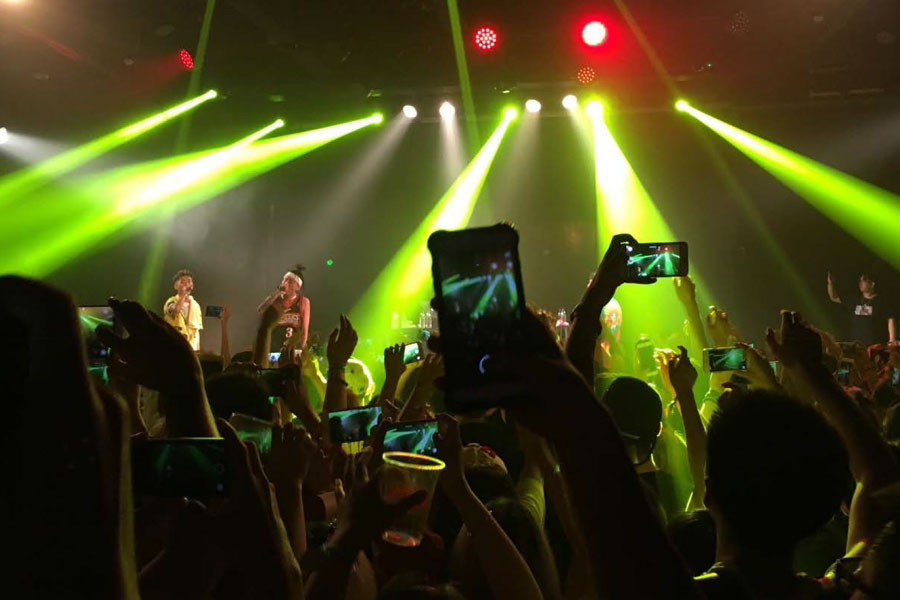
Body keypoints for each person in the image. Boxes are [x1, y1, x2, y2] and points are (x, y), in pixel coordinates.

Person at [827, 271, 896, 345]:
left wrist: (892, 340)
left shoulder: (881, 301)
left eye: (864, 280)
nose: (860, 283)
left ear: (872, 284)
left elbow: (890, 319)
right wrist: (830, 284)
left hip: (874, 345)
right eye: (860, 281)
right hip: (856, 345)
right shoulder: (855, 299)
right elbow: (834, 297)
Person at [258, 263, 311, 353]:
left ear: (297, 287)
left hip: (292, 349)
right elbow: (261, 310)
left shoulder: (303, 302)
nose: (285, 283)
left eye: (289, 281)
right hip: (273, 349)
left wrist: (300, 350)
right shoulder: (276, 299)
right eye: (284, 280)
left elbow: (304, 331)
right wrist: (277, 293)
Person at [163, 268, 202, 351]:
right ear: (176, 286)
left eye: (189, 281)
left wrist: (198, 350)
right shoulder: (171, 301)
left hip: (191, 349)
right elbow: (176, 310)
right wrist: (184, 294)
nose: (186, 284)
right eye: (183, 282)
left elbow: (196, 331)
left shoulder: (196, 305)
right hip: (174, 346)